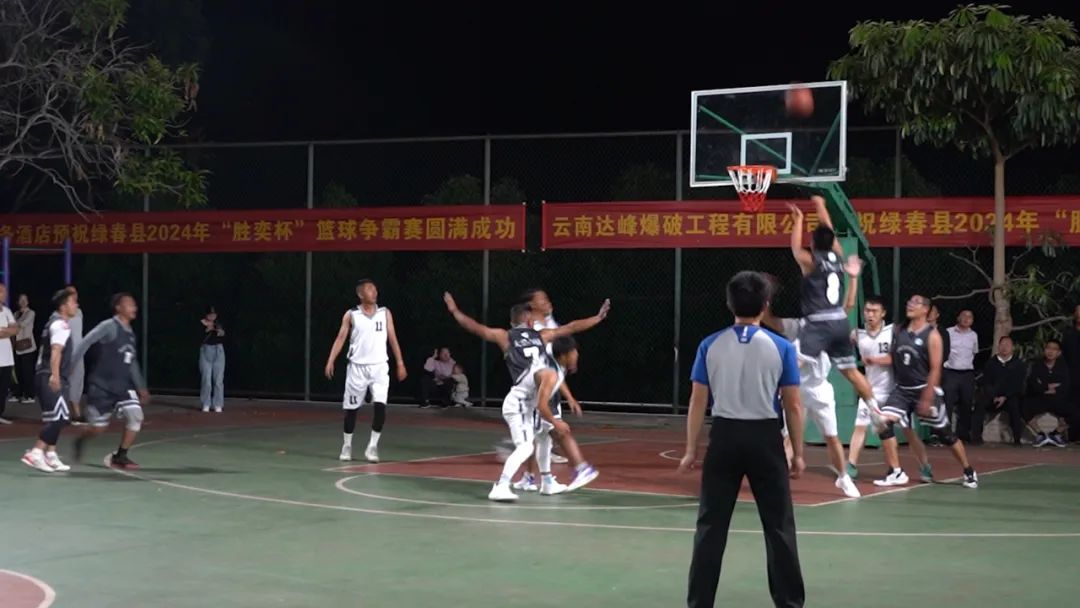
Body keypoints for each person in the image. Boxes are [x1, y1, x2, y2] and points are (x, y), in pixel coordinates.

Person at [678, 270, 806, 608]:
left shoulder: (710, 345)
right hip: (765, 437)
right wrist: (798, 452)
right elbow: (793, 405)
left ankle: (699, 602)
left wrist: (691, 448)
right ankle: (789, 602)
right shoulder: (782, 347)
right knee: (778, 526)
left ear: (728, 303)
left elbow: (697, 401)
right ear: (766, 305)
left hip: (724, 436)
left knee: (710, 526)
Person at [442, 292, 609, 501]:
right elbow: (571, 327)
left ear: (512, 322)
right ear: (530, 321)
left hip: (530, 396)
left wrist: (454, 311)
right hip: (524, 399)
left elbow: (475, 327)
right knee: (528, 445)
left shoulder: (505, 336)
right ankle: (501, 485)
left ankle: (546, 482)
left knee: (543, 437)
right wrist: (597, 318)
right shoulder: (542, 336)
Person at [787, 196, 882, 421]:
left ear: (813, 243)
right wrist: (821, 205)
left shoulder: (810, 261)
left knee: (790, 366)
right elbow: (829, 231)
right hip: (840, 322)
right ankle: (876, 411)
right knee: (851, 372)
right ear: (832, 242)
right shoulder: (838, 256)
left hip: (818, 323)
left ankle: (767, 409)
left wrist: (798, 220)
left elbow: (795, 248)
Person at [877, 294, 978, 489]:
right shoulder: (899, 331)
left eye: (915, 302)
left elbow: (935, 369)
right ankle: (896, 472)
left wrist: (927, 396)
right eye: (909, 301)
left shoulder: (932, 335)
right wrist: (873, 360)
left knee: (945, 435)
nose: (910, 304)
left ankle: (968, 470)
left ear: (925, 309)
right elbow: (893, 358)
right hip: (902, 391)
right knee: (882, 422)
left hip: (924, 389)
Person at [324, 279, 407, 464]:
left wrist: (400, 362)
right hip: (357, 368)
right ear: (360, 294)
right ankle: (347, 445)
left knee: (380, 405)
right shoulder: (351, 314)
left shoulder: (384, 313)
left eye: (375, 289)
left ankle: (372, 446)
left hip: (379, 367)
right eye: (370, 289)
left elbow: (392, 338)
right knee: (351, 409)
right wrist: (331, 359)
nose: (374, 292)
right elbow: (340, 338)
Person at [70, 293, 150, 469]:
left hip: (123, 387)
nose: (134, 307)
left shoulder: (130, 333)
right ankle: (82, 438)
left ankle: (121, 455)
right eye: (129, 304)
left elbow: (132, 361)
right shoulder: (109, 326)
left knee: (136, 417)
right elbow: (85, 342)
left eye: (134, 304)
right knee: (98, 429)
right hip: (102, 387)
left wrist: (141, 386)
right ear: (118, 308)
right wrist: (72, 364)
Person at [20, 289, 78, 473]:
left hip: (43, 374)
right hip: (50, 375)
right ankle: (36, 452)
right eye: (73, 302)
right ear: (63, 306)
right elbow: (56, 350)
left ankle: (51, 454)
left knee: (53, 418)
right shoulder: (60, 325)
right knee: (61, 417)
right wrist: (55, 375)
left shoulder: (52, 323)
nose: (76, 305)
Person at [1024, 338, 1070, 447]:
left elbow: (1065, 385)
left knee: (1075, 412)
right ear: (1044, 350)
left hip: (1057, 398)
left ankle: (1055, 434)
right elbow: (1033, 384)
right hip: (1041, 398)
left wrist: (1052, 388)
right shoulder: (1037, 365)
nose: (1050, 351)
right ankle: (1040, 435)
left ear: (1059, 353)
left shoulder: (1063, 366)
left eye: (1054, 349)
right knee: (1022, 407)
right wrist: (1047, 387)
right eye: (1048, 348)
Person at [64, 284, 87, 425]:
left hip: (80, 350)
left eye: (75, 292)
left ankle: (72, 413)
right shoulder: (62, 313)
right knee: (71, 381)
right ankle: (75, 414)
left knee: (79, 381)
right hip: (69, 351)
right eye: (70, 293)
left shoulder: (79, 312)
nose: (74, 295)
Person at [199, 305, 226, 412]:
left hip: (218, 350)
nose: (212, 316)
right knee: (206, 379)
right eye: (210, 314)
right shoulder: (201, 323)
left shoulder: (219, 323)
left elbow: (224, 336)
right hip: (206, 350)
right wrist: (207, 329)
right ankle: (206, 403)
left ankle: (218, 403)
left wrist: (220, 332)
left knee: (218, 379)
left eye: (214, 314)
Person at [14, 293, 37, 405]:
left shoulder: (31, 313)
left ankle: (30, 395)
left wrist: (13, 325)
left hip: (28, 347)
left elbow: (22, 324)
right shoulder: (15, 313)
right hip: (17, 346)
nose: (23, 302)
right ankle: (19, 393)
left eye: (25, 300)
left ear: (28, 302)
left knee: (27, 372)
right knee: (18, 372)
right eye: (21, 300)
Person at [0, 283, 17, 423]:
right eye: (1, 291)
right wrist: (7, 331)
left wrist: (4, 331)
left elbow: (15, 329)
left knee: (3, 387)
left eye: (4, 291)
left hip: (6, 357)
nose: (4, 294)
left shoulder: (7, 311)